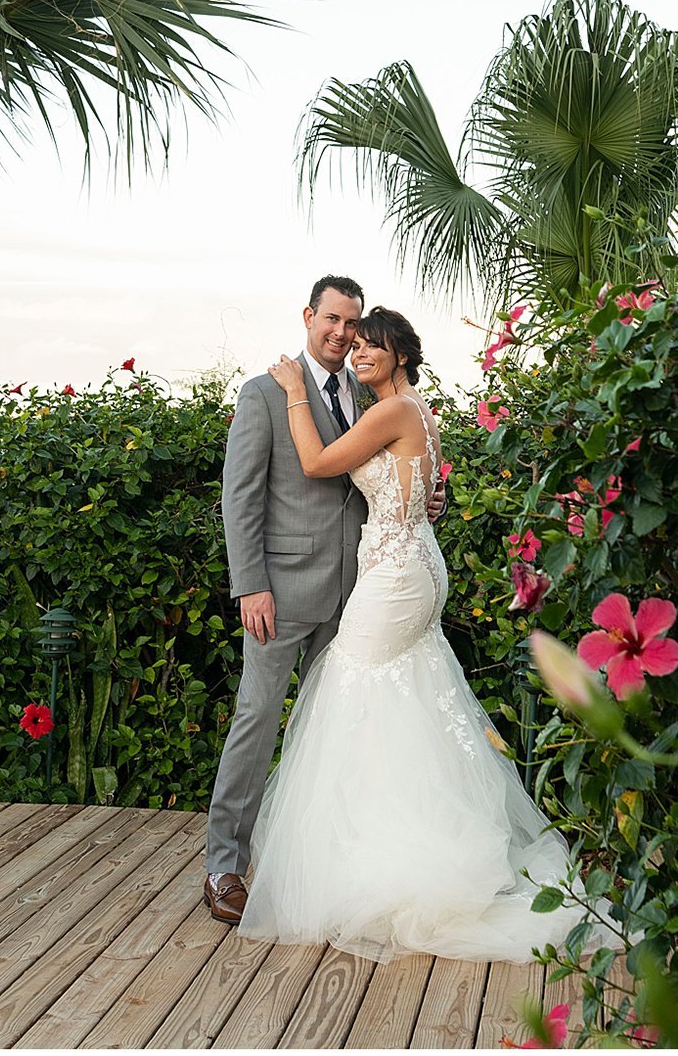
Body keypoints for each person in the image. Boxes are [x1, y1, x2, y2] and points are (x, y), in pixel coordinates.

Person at [236, 306, 591, 963]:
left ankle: (382, 857)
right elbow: (419, 487)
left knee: (352, 685)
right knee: (406, 698)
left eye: (372, 345)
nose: (360, 353)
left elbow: (316, 461)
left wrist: (292, 391)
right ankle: (404, 830)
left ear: (400, 354)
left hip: (395, 575)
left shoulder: (392, 410)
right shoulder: (416, 411)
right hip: (413, 562)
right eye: (357, 345)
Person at [203, 275, 371, 926]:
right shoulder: (264, 394)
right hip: (280, 593)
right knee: (257, 718)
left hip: (353, 595)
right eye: (332, 319)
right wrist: (251, 584)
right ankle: (224, 863)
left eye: (351, 323)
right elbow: (240, 497)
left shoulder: (369, 395)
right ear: (309, 316)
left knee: (332, 729)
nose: (341, 333)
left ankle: (317, 860)